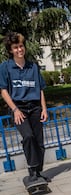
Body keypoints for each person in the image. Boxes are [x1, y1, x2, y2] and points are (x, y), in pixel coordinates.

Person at [0, 32, 50, 186]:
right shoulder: (5, 67)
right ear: (10, 50)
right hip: (19, 108)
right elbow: (3, 90)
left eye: (21, 46)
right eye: (16, 47)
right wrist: (15, 110)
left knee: (39, 142)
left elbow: (40, 89)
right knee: (28, 137)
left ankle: (38, 172)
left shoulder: (33, 66)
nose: (19, 49)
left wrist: (44, 109)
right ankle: (32, 171)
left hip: (35, 107)